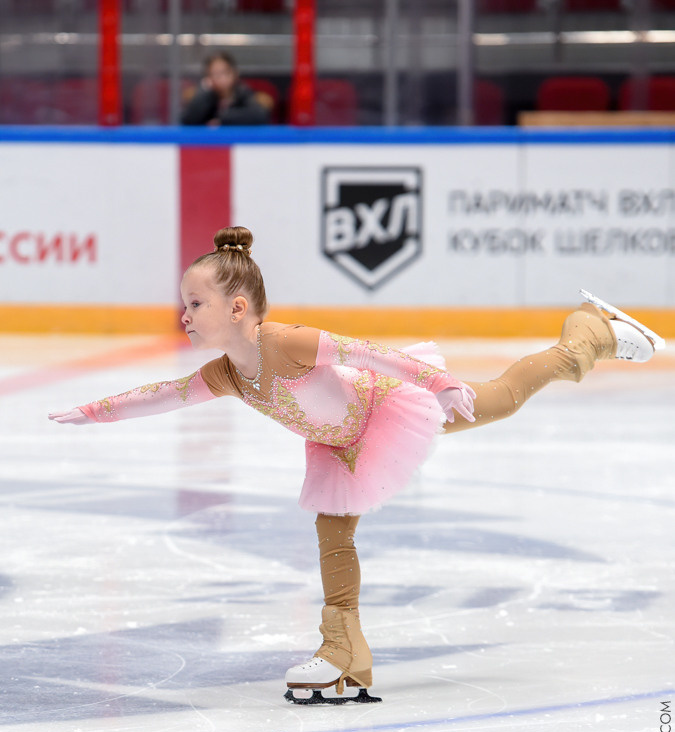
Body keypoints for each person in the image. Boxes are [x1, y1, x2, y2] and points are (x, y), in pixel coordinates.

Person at [48, 226, 665, 706]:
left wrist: (443, 384)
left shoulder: (284, 342)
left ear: (238, 308)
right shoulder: (227, 373)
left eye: (195, 303)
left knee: (498, 396)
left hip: (384, 410)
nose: (184, 314)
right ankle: (343, 652)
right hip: (334, 445)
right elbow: (160, 395)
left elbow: (375, 355)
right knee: (332, 529)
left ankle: (587, 338)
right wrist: (89, 412)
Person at [181, 52, 271, 126]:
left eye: (224, 73)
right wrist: (205, 90)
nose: (220, 78)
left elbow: (259, 116)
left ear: (234, 73)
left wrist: (221, 119)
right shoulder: (203, 96)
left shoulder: (243, 93)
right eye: (215, 74)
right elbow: (188, 121)